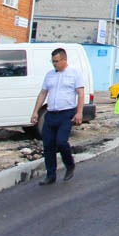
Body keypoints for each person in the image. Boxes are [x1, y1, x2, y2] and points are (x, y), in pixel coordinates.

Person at [30, 47, 85, 185]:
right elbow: (43, 93)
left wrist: (79, 112)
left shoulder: (74, 73)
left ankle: (70, 165)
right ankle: (51, 175)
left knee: (61, 142)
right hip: (51, 113)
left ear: (64, 59)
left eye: (56, 61)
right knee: (48, 145)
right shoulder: (50, 75)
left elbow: (80, 93)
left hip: (66, 114)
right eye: (52, 61)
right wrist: (35, 111)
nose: (54, 64)